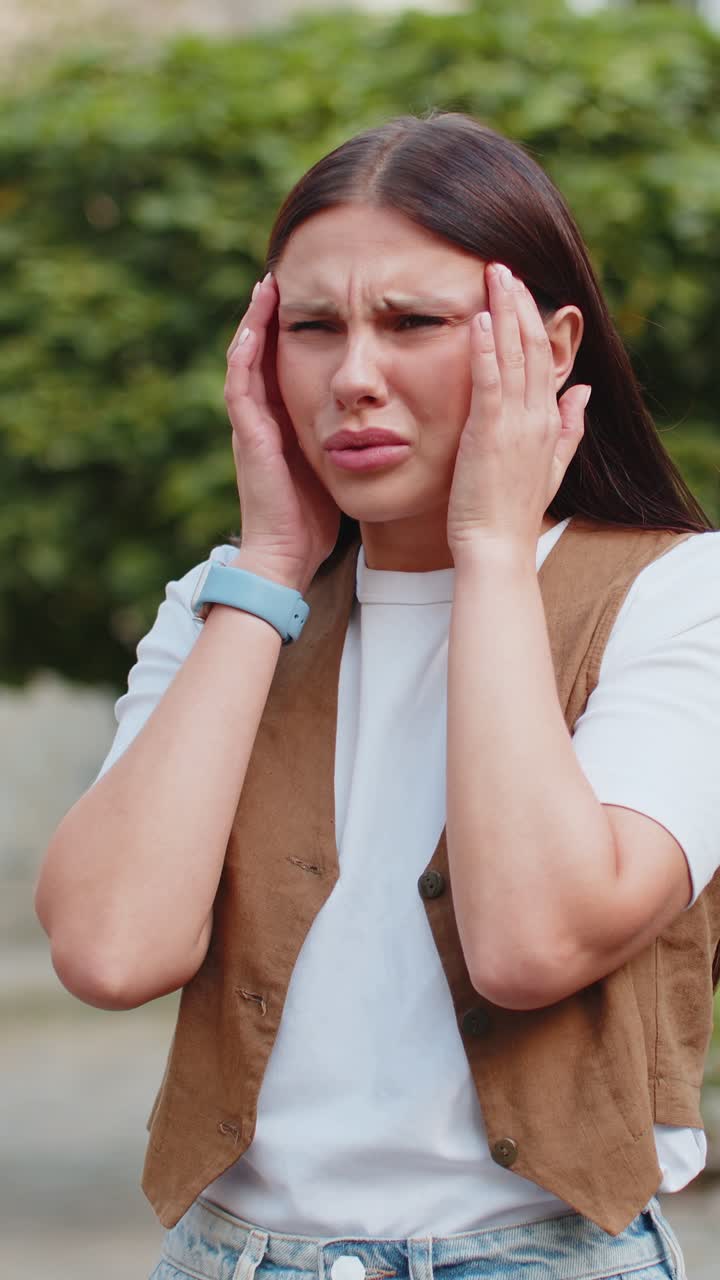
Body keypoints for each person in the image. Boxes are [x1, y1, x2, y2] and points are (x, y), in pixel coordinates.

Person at [36, 113, 720, 1280]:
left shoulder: (677, 593)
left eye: (412, 322)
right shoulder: (227, 608)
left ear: (551, 345)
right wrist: (262, 567)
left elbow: (531, 940)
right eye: (313, 327)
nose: (354, 377)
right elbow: (109, 950)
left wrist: (494, 554)